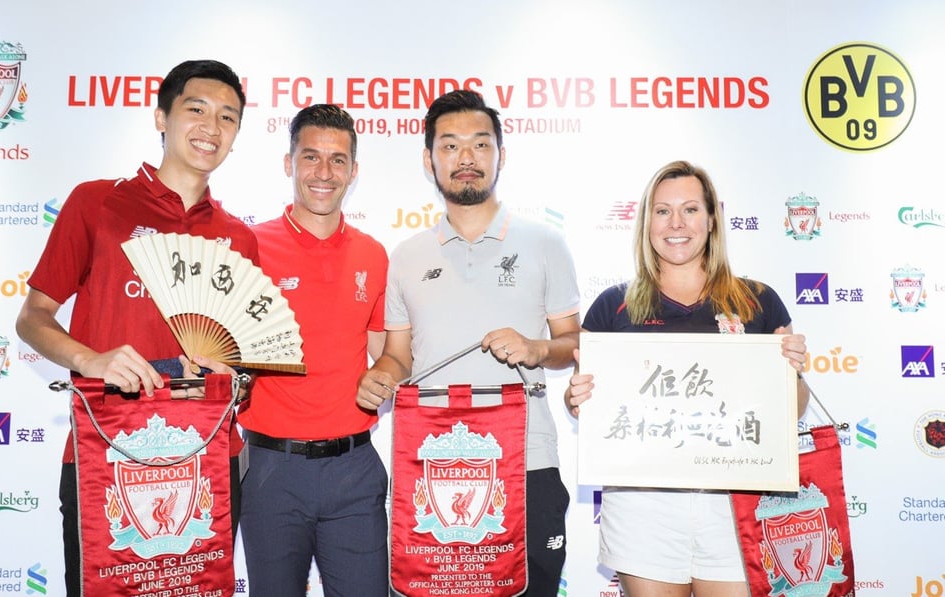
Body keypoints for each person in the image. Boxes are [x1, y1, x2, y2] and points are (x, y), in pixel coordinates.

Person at [15, 59, 256, 597]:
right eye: (197, 109)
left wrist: (233, 374)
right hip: (106, 454)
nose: (212, 127)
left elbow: (246, 370)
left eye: (228, 117)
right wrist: (89, 359)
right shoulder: (97, 203)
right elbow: (32, 318)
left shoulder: (238, 237)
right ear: (161, 118)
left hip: (207, 459)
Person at [356, 89, 581, 596]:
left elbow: (572, 341)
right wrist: (380, 378)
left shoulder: (545, 242)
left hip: (527, 459)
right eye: (450, 146)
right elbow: (397, 356)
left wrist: (538, 348)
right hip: (433, 462)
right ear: (429, 160)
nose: (466, 158)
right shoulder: (407, 255)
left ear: (501, 155)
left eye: (480, 145)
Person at [564, 160, 810, 597]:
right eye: (663, 211)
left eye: (690, 209)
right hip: (643, 505)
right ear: (647, 223)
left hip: (734, 501)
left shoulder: (758, 301)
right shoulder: (612, 306)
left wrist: (790, 372)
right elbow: (581, 402)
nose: (676, 223)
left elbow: (793, 409)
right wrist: (576, 397)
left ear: (711, 219)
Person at [237, 104, 390, 596]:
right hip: (270, 470)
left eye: (338, 160)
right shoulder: (248, 246)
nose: (324, 172)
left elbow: (388, 352)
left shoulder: (373, 253)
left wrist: (389, 371)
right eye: (311, 157)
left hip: (354, 467)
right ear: (289, 163)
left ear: (353, 170)